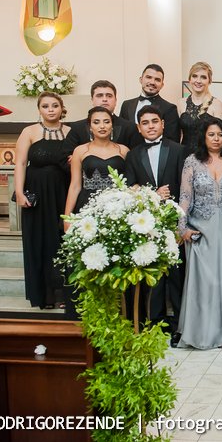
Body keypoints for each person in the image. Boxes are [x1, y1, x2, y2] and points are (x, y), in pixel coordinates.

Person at [177, 116, 222, 349]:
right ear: (203, 137)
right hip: (200, 228)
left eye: (220, 135)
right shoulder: (192, 162)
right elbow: (185, 197)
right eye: (211, 134)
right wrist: (182, 228)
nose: (216, 139)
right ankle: (203, 333)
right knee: (206, 281)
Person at [124, 105, 186, 346]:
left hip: (174, 221)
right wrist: (152, 194)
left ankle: (181, 325)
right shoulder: (133, 154)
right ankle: (156, 323)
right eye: (145, 123)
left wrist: (181, 224)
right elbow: (130, 186)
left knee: (178, 276)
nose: (151, 126)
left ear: (163, 124)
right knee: (154, 277)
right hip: (147, 223)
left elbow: (186, 186)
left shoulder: (179, 150)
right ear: (139, 128)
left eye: (154, 121)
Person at [63, 107, 129, 318]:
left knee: (113, 259)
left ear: (112, 125)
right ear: (89, 126)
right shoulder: (80, 151)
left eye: (106, 121)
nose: (102, 126)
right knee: (88, 260)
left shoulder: (124, 150)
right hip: (86, 208)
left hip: (115, 209)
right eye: (97, 122)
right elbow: (74, 185)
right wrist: (67, 217)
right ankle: (88, 313)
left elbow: (128, 185)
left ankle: (115, 312)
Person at [14, 91, 70, 309]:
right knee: (39, 241)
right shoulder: (29, 132)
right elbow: (19, 163)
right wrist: (19, 192)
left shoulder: (71, 131)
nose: (50, 110)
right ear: (39, 109)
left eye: (54, 105)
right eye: (46, 106)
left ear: (61, 108)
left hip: (62, 192)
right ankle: (43, 296)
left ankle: (62, 294)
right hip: (36, 193)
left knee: (61, 241)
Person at [63, 80, 140, 157]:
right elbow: (66, 157)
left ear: (116, 100)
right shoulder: (77, 127)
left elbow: (137, 158)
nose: (104, 99)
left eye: (109, 96)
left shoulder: (130, 127)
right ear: (92, 100)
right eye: (99, 95)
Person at [120, 64, 180, 142]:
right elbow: (121, 135)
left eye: (157, 80)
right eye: (148, 77)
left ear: (162, 85)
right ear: (141, 80)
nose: (152, 82)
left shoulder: (170, 109)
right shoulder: (126, 105)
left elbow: (172, 141)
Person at [178, 61, 222, 156]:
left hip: (207, 157)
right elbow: (179, 135)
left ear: (209, 81)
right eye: (194, 76)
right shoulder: (180, 103)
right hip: (183, 156)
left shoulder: (217, 104)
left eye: (203, 77)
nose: (198, 81)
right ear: (189, 79)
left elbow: (219, 137)